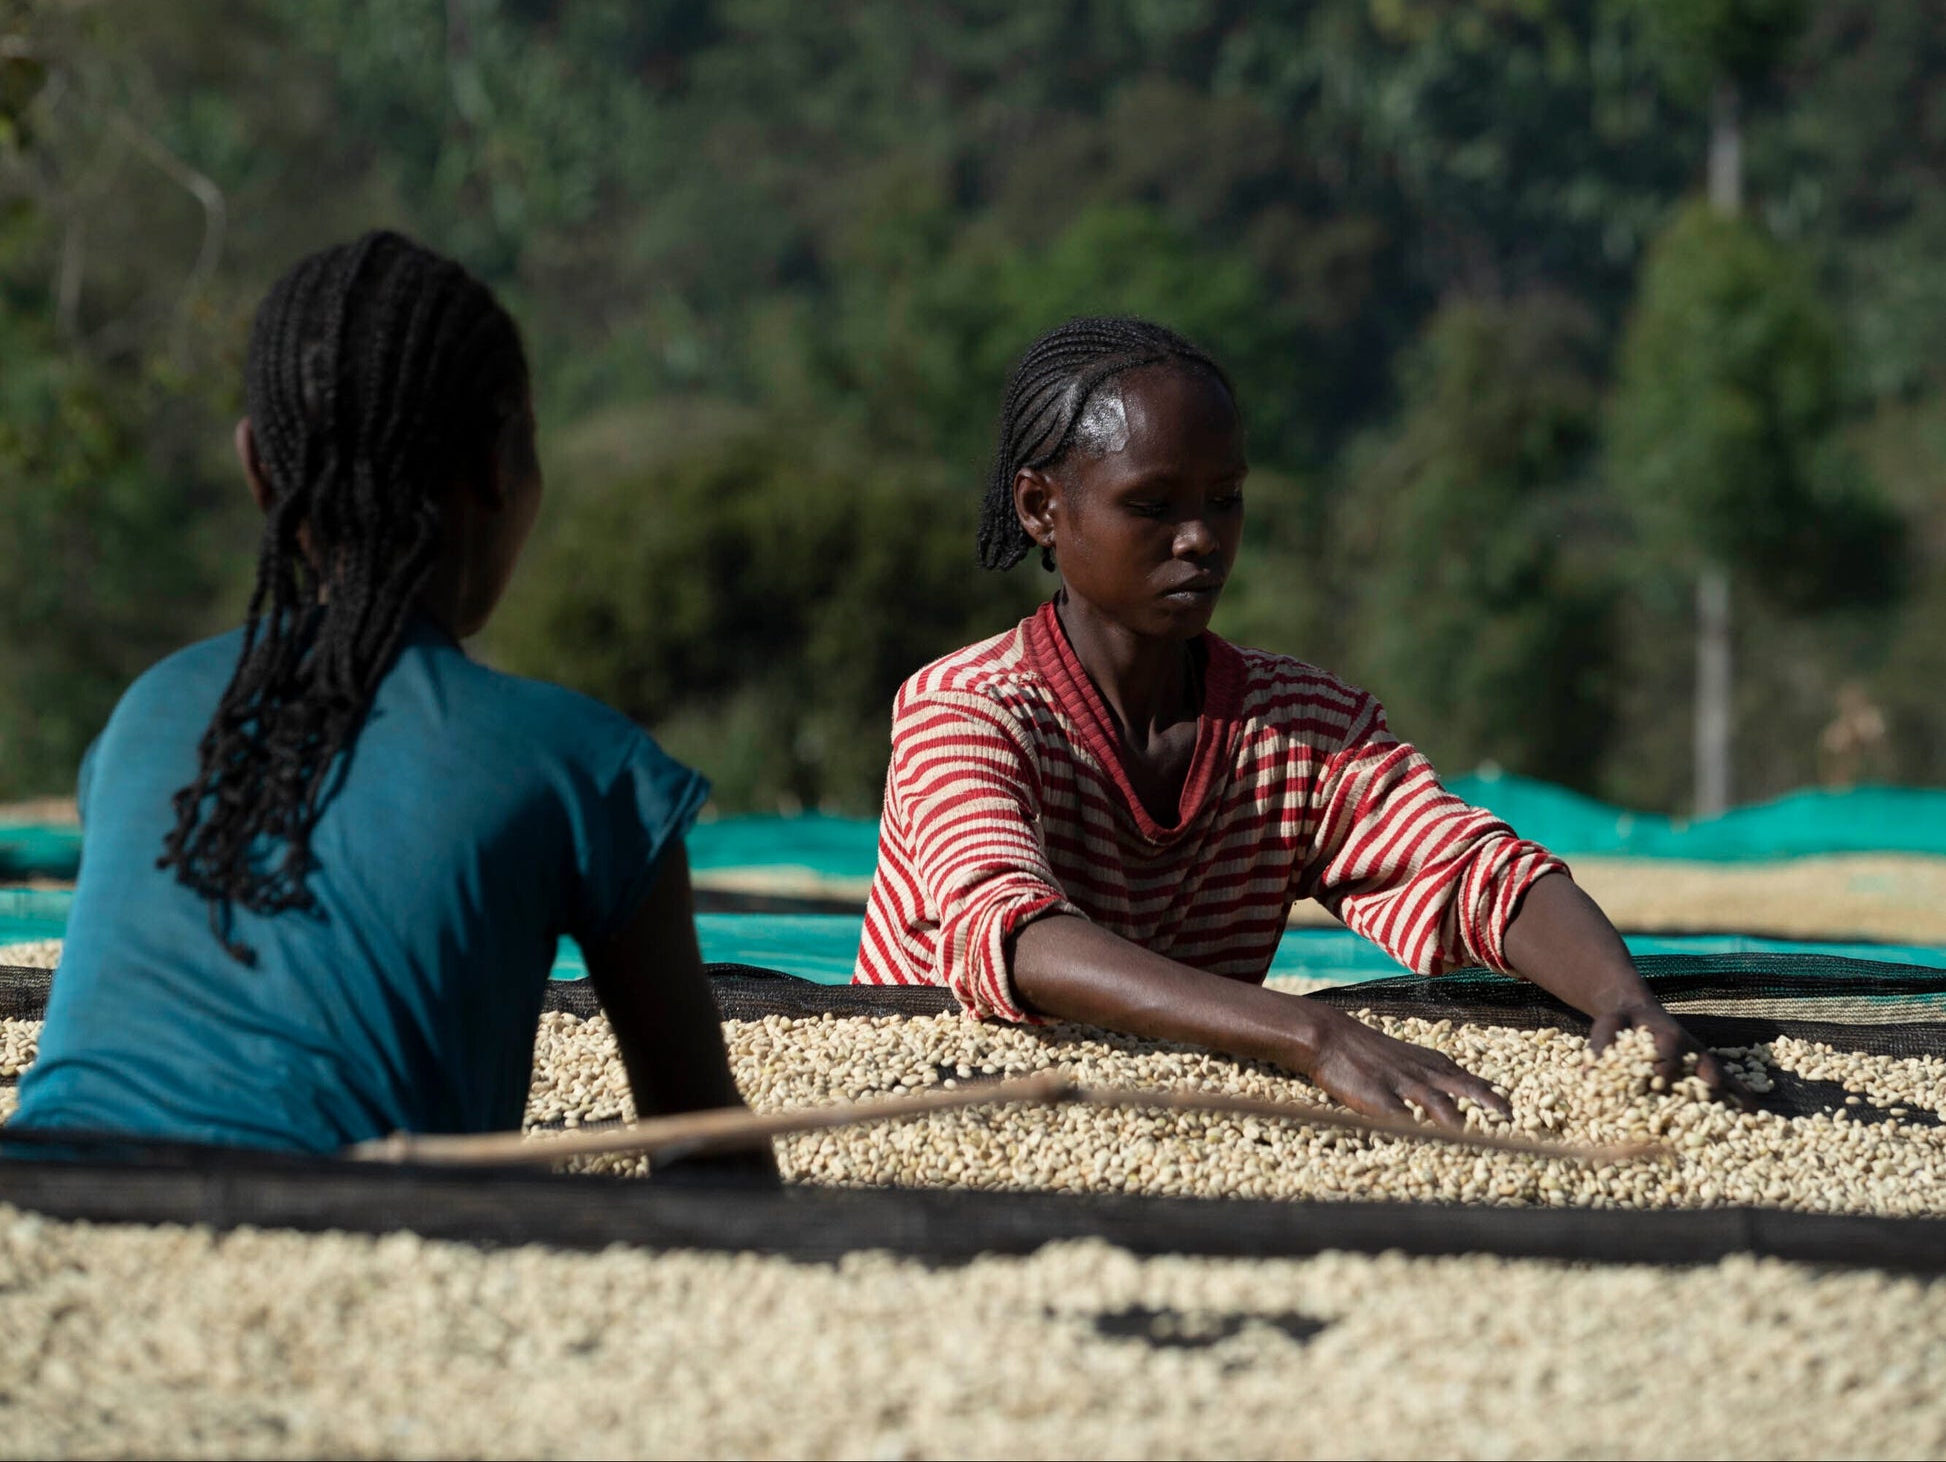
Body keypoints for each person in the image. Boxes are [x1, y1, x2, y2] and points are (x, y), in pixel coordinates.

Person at [855, 316, 1734, 1127]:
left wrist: (1624, 1001)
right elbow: (1014, 936)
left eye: (1225, 498)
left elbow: (1469, 870)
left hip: (1160, 1115)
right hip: (932, 1099)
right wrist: (1313, 1035)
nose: (1201, 539)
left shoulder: (1296, 725)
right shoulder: (966, 708)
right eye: (1153, 506)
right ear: (1042, 509)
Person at [15, 232, 767, 1164]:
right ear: (503, 464)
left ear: (257, 470)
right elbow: (710, 1160)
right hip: (353, 1226)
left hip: (37, 1206)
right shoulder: (590, 771)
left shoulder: (146, 716)